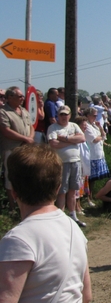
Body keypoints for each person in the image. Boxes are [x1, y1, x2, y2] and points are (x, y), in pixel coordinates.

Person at [0, 143, 92, 302]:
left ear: (13, 192)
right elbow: (87, 296)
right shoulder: (74, 228)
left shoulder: (17, 241)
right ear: (58, 188)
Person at [47, 105, 87, 228]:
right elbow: (53, 143)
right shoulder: (53, 127)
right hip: (61, 162)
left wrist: (64, 139)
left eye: (66, 114)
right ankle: (61, 216)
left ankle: (72, 215)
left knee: (73, 190)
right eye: (61, 114)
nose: (64, 117)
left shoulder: (74, 126)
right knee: (61, 190)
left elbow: (82, 138)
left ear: (70, 115)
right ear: (58, 115)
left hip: (75, 161)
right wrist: (72, 141)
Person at [0, 86, 35, 210]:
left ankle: (24, 204)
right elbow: (6, 131)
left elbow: (31, 126)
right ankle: (12, 206)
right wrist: (25, 139)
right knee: (11, 178)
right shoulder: (3, 112)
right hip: (12, 149)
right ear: (10, 97)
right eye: (19, 96)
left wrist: (30, 138)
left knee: (25, 176)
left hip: (25, 149)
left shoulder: (24, 110)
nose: (22, 98)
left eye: (22, 96)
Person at [82, 107, 111, 200]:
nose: (96, 117)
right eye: (94, 115)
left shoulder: (94, 125)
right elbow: (94, 139)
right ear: (88, 115)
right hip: (91, 155)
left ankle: (90, 196)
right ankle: (87, 197)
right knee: (89, 178)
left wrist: (100, 128)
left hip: (98, 154)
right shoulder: (87, 126)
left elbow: (104, 136)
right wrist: (101, 136)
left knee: (94, 179)